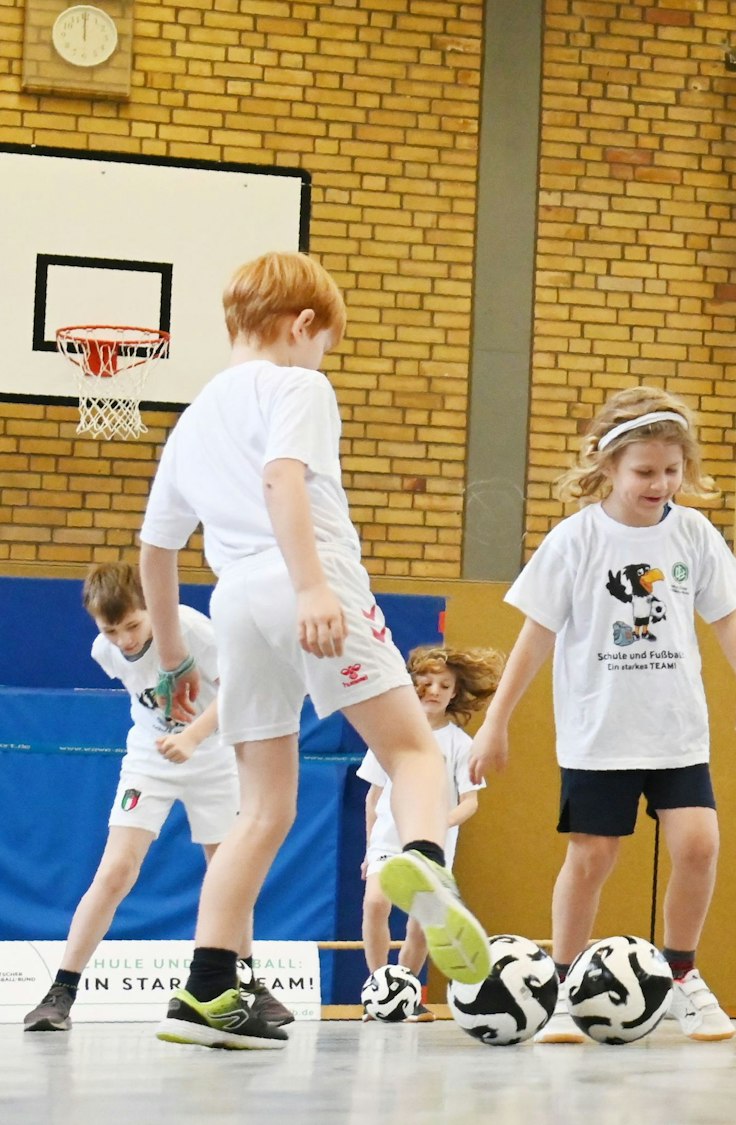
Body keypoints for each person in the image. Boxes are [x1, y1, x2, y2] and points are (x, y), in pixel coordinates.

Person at [138, 251, 489, 1049]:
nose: (322, 356)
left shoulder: (191, 419)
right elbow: (283, 477)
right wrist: (310, 587)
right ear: (302, 326)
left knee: (261, 809)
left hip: (231, 601)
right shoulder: (298, 385)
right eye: (325, 341)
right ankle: (426, 861)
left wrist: (171, 659)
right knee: (415, 752)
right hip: (305, 580)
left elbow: (156, 552)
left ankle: (208, 990)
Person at [470, 387, 736, 1044]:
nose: (660, 483)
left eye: (672, 471)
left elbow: (728, 616)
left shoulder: (691, 532)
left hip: (675, 731)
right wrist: (495, 720)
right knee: (591, 858)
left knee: (699, 844)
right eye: (644, 471)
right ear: (608, 464)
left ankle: (680, 974)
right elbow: (535, 636)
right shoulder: (576, 540)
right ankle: (558, 984)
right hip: (599, 733)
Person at [22, 564, 287, 1034]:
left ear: (150, 608)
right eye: (112, 629)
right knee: (116, 870)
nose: (124, 639)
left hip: (213, 758)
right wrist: (171, 739)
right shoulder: (104, 652)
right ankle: (60, 990)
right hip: (150, 759)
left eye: (133, 625)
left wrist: (193, 737)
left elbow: (240, 692)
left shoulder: (191, 629)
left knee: (227, 874)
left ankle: (247, 984)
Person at [359, 645, 502, 1019]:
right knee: (375, 903)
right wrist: (368, 847)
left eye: (444, 684)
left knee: (421, 925)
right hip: (387, 841)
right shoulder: (391, 734)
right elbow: (373, 796)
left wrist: (437, 824)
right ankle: (379, 989)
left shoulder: (460, 744)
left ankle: (404, 991)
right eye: (426, 681)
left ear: (455, 692)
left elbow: (470, 801)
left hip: (432, 845)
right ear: (412, 684)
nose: (435, 690)